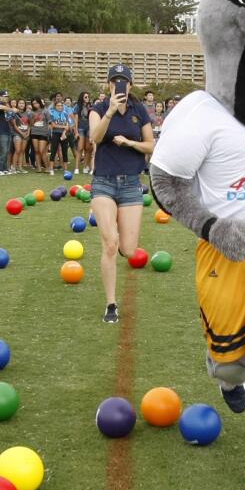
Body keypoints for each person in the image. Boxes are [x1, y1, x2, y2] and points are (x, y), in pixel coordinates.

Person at [88, 64, 156, 324]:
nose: (119, 85)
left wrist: (129, 143)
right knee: (110, 244)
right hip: (103, 182)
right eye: (115, 81)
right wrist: (110, 112)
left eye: (123, 81)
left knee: (128, 249)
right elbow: (95, 137)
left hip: (131, 184)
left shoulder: (139, 110)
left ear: (130, 85)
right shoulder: (99, 108)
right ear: (108, 85)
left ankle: (116, 239)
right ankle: (111, 304)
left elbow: (150, 145)